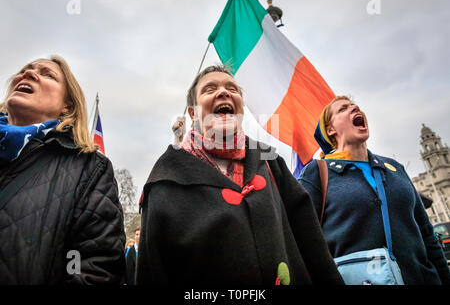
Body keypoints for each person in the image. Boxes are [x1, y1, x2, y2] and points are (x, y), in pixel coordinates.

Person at [136, 64, 344, 285]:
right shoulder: (166, 177)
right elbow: (152, 270)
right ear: (192, 113)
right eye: (209, 89)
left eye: (232, 89)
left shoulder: (270, 161)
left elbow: (312, 245)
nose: (223, 92)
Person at [298, 95, 450, 285]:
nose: (354, 108)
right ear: (330, 129)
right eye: (343, 108)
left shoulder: (395, 168)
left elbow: (427, 234)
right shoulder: (317, 173)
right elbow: (303, 242)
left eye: (356, 106)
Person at [0, 56, 126, 284]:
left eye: (47, 74)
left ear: (67, 106)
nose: (27, 74)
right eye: (24, 70)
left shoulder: (88, 170)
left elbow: (96, 268)